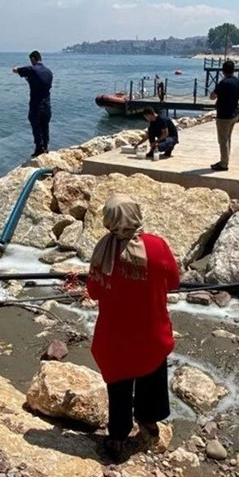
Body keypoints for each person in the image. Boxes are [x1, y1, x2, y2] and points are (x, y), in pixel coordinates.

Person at [86, 195, 180, 460]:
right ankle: (148, 420)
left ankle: (117, 438)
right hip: (151, 331)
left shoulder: (103, 250)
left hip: (114, 335)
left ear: (109, 220)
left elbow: (93, 291)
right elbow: (173, 281)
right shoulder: (156, 246)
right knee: (153, 374)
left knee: (119, 386)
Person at [13, 51, 53, 157]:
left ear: (33, 59)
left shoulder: (32, 69)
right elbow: (41, 83)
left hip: (36, 104)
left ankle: (39, 148)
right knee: (45, 126)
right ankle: (46, 147)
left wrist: (15, 68)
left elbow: (16, 70)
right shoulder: (49, 72)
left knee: (36, 126)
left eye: (31, 60)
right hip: (47, 104)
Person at [209, 61, 239, 172]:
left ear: (223, 71)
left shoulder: (223, 83)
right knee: (228, 138)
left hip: (223, 116)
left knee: (223, 140)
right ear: (233, 70)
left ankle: (224, 164)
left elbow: (212, 97)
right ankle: (225, 159)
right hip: (234, 114)